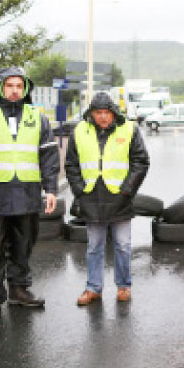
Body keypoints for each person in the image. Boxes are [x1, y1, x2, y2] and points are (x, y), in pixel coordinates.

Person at [0, 67, 59, 319]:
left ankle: (19, 291)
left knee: (23, 245)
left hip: (27, 194)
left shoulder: (37, 117)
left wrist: (51, 189)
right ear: (0, 87)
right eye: (9, 85)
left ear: (25, 89)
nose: (14, 90)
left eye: (19, 86)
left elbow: (49, 156)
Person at [64, 92, 149, 306]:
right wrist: (79, 190)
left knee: (122, 245)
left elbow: (141, 161)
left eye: (106, 113)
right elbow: (71, 165)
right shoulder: (80, 131)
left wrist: (126, 190)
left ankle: (123, 286)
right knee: (94, 246)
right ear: (91, 113)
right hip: (91, 197)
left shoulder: (129, 129)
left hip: (119, 198)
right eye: (98, 113)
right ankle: (93, 288)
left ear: (113, 113)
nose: (103, 117)